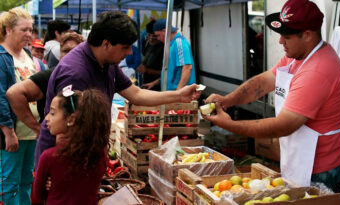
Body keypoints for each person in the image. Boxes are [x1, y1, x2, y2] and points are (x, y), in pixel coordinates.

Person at [203, 0, 340, 193]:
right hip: (301, 157)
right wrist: (227, 100)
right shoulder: (297, 55)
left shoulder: (318, 70)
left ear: (307, 35)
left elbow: (284, 125)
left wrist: (228, 124)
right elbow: (263, 82)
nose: (280, 41)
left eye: (286, 36)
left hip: (322, 168)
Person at [25, 11, 200, 167]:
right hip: (65, 160)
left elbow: (136, 94)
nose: (130, 52)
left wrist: (179, 95)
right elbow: (64, 130)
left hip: (86, 155)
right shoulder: (75, 73)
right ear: (106, 44)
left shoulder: (107, 63)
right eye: (125, 47)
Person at [33, 88, 110, 204]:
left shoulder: (49, 157)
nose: (47, 118)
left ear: (71, 119)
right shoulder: (99, 154)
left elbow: (36, 198)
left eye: (52, 113)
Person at [0, 7, 41, 205]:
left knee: (27, 179)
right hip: (13, 131)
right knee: (9, 182)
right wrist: (8, 131)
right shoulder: (1, 58)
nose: (29, 34)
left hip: (31, 129)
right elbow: (0, 97)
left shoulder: (27, 55)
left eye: (30, 30)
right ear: (7, 29)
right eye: (24, 30)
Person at [7, 32, 85, 126]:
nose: (69, 55)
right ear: (59, 55)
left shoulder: (90, 76)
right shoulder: (51, 75)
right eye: (65, 51)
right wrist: (37, 128)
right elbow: (14, 94)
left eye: (74, 51)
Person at [153, 19, 196, 91]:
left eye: (158, 35)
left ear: (164, 31)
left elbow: (187, 67)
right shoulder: (171, 44)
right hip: (172, 93)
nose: (158, 38)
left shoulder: (179, 42)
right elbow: (170, 71)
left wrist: (178, 92)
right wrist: (155, 83)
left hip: (179, 94)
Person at [137, 20, 164, 91]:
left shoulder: (165, 49)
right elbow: (145, 59)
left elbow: (166, 73)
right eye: (149, 35)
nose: (151, 38)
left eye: (154, 36)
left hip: (158, 88)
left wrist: (147, 70)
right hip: (146, 84)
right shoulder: (149, 44)